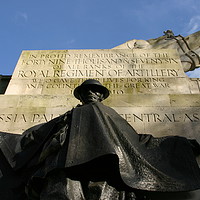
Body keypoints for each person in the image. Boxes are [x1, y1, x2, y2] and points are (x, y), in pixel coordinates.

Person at [1, 79, 200, 200]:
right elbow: (39, 136)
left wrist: (174, 145)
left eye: (95, 91)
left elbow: (131, 140)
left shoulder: (108, 114)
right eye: (86, 91)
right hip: (64, 168)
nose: (91, 93)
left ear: (101, 96)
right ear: (80, 96)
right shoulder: (67, 117)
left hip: (104, 168)